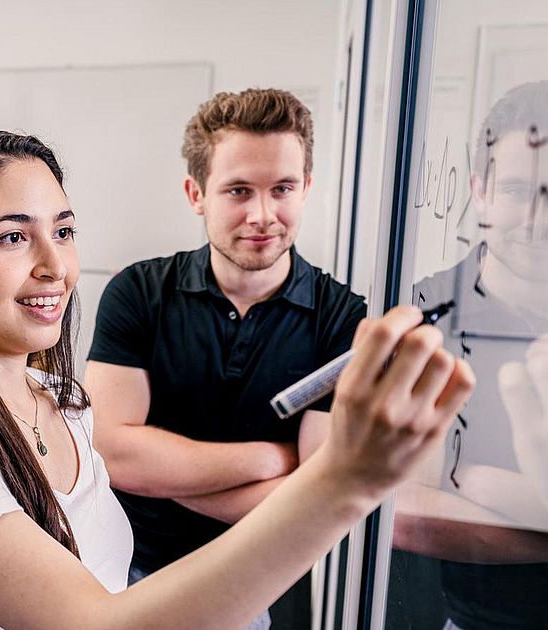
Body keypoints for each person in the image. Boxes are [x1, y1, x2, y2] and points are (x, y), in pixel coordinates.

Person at [0, 128, 474, 628]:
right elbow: (91, 622)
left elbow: (112, 587)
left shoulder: (59, 400)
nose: (55, 266)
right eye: (14, 237)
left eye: (63, 232)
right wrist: (345, 477)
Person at [82, 88, 367, 618]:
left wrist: (161, 475)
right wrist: (270, 458)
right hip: (122, 569)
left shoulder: (344, 319)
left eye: (282, 189)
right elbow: (112, 454)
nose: (263, 215)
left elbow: (316, 494)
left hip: (251, 581)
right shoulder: (138, 293)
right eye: (238, 191)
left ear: (306, 188)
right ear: (197, 194)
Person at [392, 80, 548, 628]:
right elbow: (405, 510)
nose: (541, 218)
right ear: (479, 191)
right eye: (519, 190)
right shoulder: (417, 314)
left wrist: (478, 482)